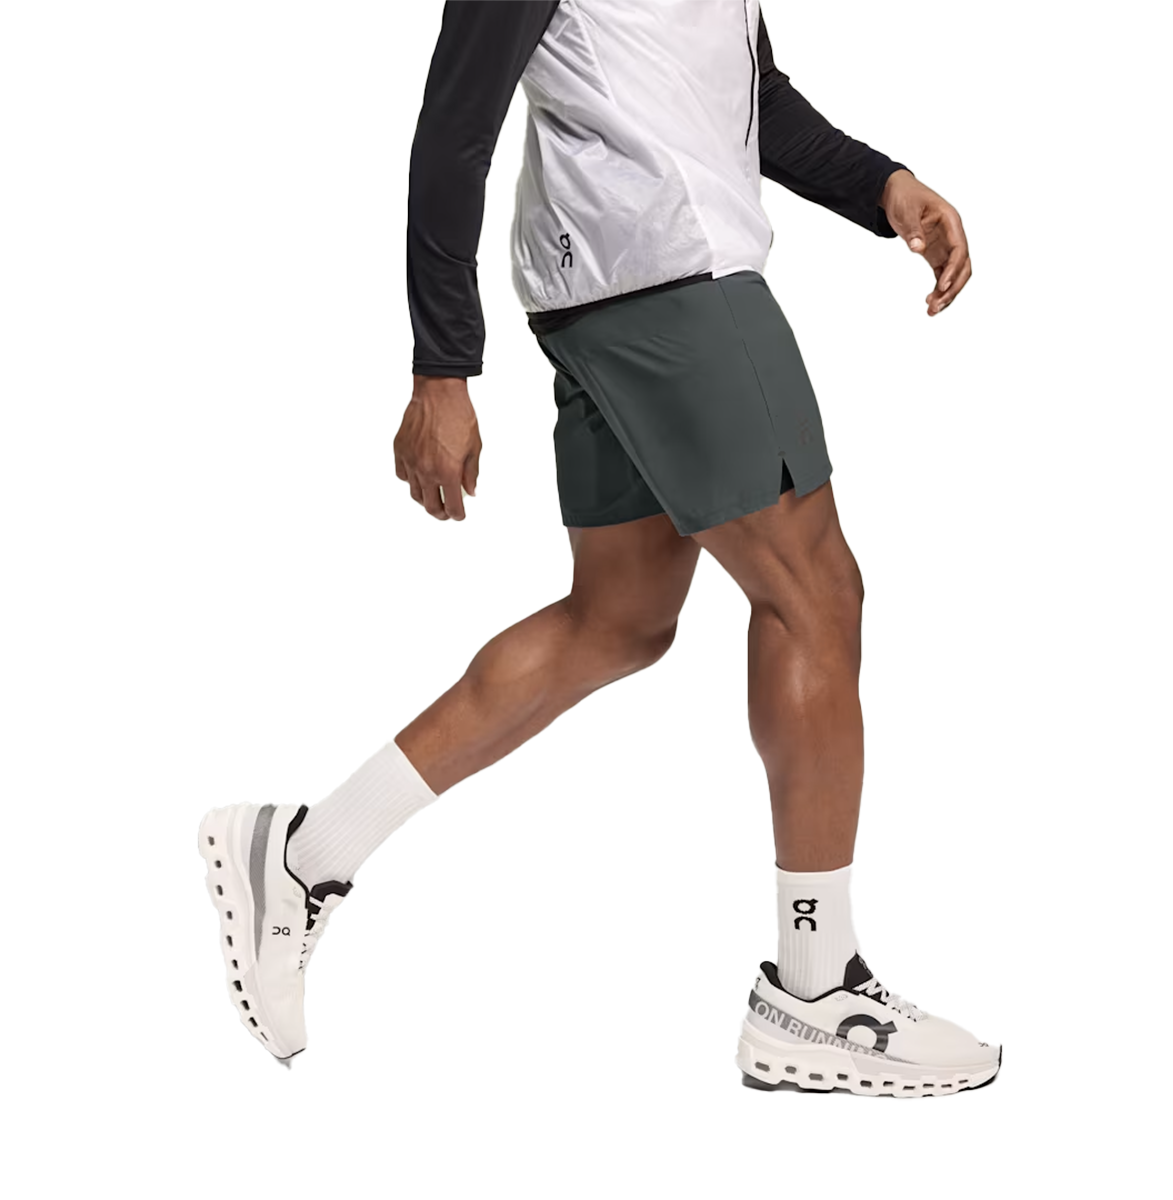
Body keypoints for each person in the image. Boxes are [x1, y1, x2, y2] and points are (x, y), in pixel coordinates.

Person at [199, 0, 999, 1093]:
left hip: (622, 289)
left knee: (618, 620)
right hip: (665, 283)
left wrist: (884, 184)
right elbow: (454, 127)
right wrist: (442, 367)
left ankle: (303, 855)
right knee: (817, 592)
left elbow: (747, 94)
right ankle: (813, 997)